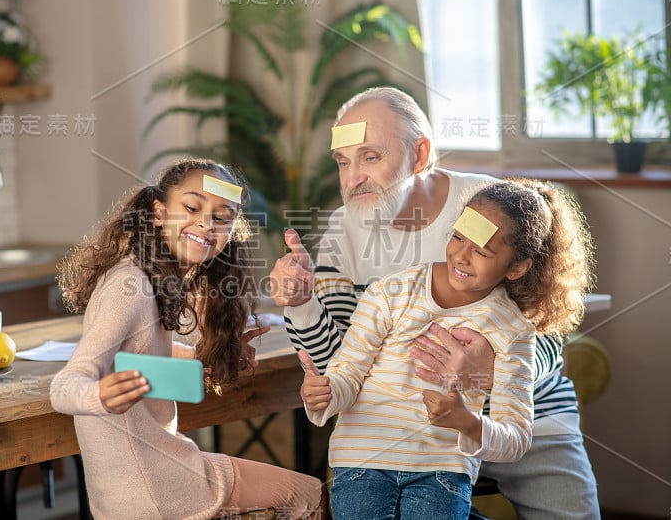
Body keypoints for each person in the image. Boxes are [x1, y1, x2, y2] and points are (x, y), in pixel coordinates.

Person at [270, 87, 601, 519]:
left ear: (420, 154)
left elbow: (551, 330)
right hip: (404, 433)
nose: (352, 179)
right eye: (343, 161)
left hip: (526, 413)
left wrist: (491, 372)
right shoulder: (341, 231)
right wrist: (301, 304)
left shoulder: (488, 207)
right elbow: (340, 360)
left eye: (370, 156)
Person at [299, 179, 593, 519]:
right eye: (457, 237)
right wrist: (325, 391)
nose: (461, 256)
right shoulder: (389, 293)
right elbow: (347, 371)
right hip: (362, 461)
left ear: (517, 267)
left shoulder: (513, 330)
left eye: (481, 252)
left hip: (442, 471)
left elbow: (516, 437)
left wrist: (468, 423)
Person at [51, 158, 324, 519]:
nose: (206, 224)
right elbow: (64, 386)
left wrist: (201, 361)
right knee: (312, 496)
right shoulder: (128, 286)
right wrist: (100, 394)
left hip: (144, 486)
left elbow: (143, 358)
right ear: (158, 212)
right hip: (159, 490)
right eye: (192, 207)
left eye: (222, 217)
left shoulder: (154, 278)